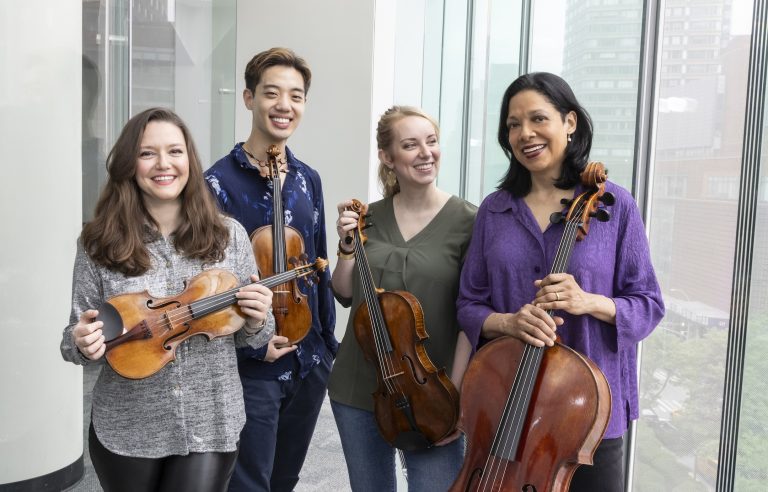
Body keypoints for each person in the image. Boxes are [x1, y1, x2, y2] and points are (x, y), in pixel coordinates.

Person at [456, 72, 665, 491]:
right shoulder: (495, 211)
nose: (524, 134)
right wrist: (509, 323)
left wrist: (589, 301)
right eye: (513, 125)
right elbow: (468, 304)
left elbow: (648, 304)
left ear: (570, 122)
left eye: (538, 119)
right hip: (507, 406)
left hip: (586, 417)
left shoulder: (613, 204)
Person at [60, 107, 275, 492]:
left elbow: (252, 338)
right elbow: (74, 340)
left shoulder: (230, 237)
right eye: (147, 153)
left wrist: (259, 319)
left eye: (175, 152)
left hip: (211, 420)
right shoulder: (97, 243)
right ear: (130, 164)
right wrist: (80, 342)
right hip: (127, 427)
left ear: (189, 159)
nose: (164, 164)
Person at [204, 47, 337, 492]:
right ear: (248, 98)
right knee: (249, 483)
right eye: (272, 93)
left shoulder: (307, 179)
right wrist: (252, 346)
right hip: (251, 366)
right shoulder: (214, 184)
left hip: (307, 358)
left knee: (285, 480)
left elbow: (314, 265)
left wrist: (323, 345)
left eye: (296, 96)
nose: (285, 105)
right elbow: (207, 285)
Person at [330, 105, 477, 491]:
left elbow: (470, 318)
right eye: (410, 145)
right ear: (387, 157)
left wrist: (456, 397)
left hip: (432, 394)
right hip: (360, 389)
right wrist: (346, 249)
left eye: (431, 142)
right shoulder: (367, 218)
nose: (425, 153)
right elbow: (344, 291)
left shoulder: (470, 222)